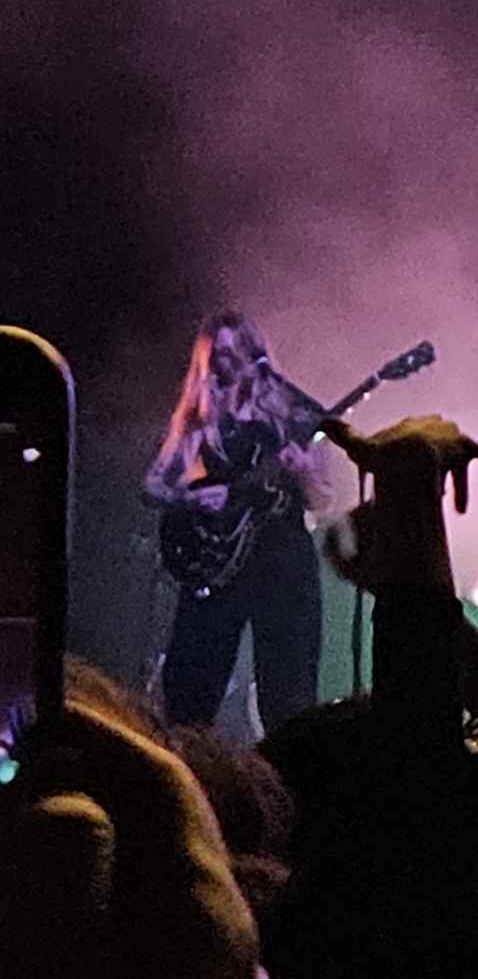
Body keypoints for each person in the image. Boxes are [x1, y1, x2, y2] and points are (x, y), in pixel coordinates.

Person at [144, 310, 336, 731]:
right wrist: (194, 498)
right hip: (216, 561)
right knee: (190, 697)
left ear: (256, 353)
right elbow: (153, 485)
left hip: (282, 562)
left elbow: (323, 500)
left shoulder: (289, 411)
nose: (229, 362)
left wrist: (303, 470)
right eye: (220, 355)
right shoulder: (198, 418)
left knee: (289, 698)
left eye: (238, 352)